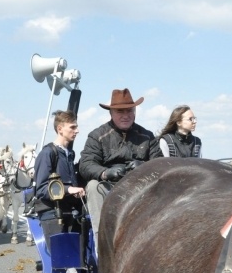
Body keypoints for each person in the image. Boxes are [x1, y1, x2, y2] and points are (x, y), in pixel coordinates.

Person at [79, 88, 162, 239]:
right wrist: (105, 173)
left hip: (141, 186)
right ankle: (101, 241)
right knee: (92, 186)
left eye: (129, 111)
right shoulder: (97, 136)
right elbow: (86, 164)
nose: (126, 116)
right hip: (108, 186)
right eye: (120, 112)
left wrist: (144, 167)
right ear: (111, 113)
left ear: (135, 111)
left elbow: (160, 164)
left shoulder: (147, 137)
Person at [33, 110, 85, 240]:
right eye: (73, 127)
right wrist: (69, 189)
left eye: (76, 127)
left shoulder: (69, 154)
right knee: (62, 259)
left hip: (70, 211)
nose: (77, 131)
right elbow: (42, 189)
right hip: (53, 214)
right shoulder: (47, 153)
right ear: (60, 129)